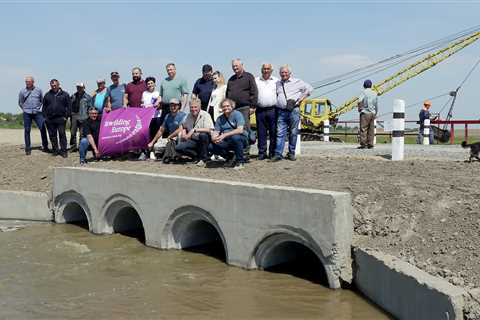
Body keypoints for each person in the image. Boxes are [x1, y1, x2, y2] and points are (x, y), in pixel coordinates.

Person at [271, 65, 313, 162]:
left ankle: (291, 153)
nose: (284, 74)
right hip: (281, 110)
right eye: (282, 72)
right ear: (279, 74)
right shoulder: (278, 83)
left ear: (290, 73)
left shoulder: (297, 82)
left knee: (293, 132)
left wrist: (300, 99)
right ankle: (278, 154)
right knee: (280, 132)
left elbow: (310, 89)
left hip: (294, 110)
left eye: (286, 72)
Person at [210, 98, 249, 170]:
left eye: (228, 106)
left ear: (232, 106)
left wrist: (224, 135)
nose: (226, 108)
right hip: (227, 140)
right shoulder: (219, 118)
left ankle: (240, 161)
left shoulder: (237, 114)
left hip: (241, 138)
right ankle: (229, 157)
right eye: (224, 106)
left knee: (235, 137)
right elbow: (216, 131)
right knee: (210, 146)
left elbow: (240, 130)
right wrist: (214, 138)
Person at [175, 97, 214, 166]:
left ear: (200, 107)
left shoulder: (206, 115)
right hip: (193, 140)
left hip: (205, 141)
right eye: (191, 107)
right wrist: (184, 134)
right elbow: (183, 126)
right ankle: (197, 156)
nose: (193, 109)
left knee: (203, 135)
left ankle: (203, 159)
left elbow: (210, 129)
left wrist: (194, 130)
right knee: (178, 148)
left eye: (195, 107)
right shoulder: (188, 116)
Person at [18, 76, 49, 155]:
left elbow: (42, 101)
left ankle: (45, 146)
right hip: (27, 113)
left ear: (33, 82)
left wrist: (38, 108)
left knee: (43, 128)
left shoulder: (38, 90)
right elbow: (20, 102)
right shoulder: (22, 91)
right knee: (27, 130)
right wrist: (25, 109)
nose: (27, 83)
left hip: (37, 113)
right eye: (26, 81)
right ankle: (28, 148)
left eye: (28, 81)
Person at [226, 59, 258, 133]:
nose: (235, 68)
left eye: (236, 66)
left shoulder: (249, 76)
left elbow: (254, 92)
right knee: (234, 128)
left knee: (245, 128)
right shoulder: (231, 79)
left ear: (242, 65)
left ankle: (247, 144)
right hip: (233, 109)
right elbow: (227, 94)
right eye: (233, 66)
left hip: (244, 108)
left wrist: (253, 106)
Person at [42, 79, 71, 158]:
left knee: (62, 134)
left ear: (58, 85)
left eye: (55, 85)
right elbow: (44, 107)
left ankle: (63, 151)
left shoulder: (65, 94)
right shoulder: (47, 95)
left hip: (61, 118)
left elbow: (69, 107)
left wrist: (66, 117)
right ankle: (55, 150)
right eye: (52, 86)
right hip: (50, 119)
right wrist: (45, 117)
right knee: (52, 135)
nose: (53, 87)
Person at [255, 63, 278, 160]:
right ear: (261, 70)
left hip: (273, 110)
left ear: (271, 70)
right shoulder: (256, 80)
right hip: (260, 110)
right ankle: (262, 153)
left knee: (273, 132)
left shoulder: (277, 81)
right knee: (261, 133)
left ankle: (272, 153)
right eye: (264, 69)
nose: (266, 70)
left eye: (268, 69)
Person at [141, 76, 161, 160]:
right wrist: (142, 105)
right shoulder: (144, 93)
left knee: (154, 135)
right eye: (148, 83)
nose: (150, 85)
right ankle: (146, 152)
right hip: (146, 117)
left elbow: (159, 103)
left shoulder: (158, 93)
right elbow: (142, 103)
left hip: (156, 116)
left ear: (154, 84)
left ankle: (153, 152)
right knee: (146, 135)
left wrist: (158, 103)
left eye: (151, 83)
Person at [70, 83, 92, 151]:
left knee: (82, 133)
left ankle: (81, 147)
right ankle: (73, 147)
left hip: (84, 116)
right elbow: (69, 105)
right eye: (78, 87)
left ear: (84, 87)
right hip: (74, 116)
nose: (79, 88)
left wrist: (88, 116)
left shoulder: (88, 97)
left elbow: (90, 107)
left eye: (80, 87)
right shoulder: (73, 95)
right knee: (73, 132)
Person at [357, 79, 378, 149]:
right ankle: (370, 144)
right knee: (371, 129)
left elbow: (359, 101)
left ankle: (363, 144)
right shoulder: (375, 93)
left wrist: (359, 109)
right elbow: (376, 105)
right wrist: (375, 113)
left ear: (364, 86)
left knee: (363, 129)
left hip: (365, 113)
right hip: (372, 113)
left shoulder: (363, 92)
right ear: (371, 86)